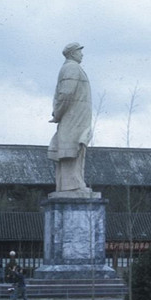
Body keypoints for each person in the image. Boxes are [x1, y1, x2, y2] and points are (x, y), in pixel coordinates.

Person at [48, 42, 93, 193]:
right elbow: (66, 94)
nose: (82, 54)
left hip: (76, 118)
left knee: (75, 150)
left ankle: (72, 185)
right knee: (73, 150)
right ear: (72, 53)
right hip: (74, 118)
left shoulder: (71, 67)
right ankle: (72, 186)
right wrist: (58, 114)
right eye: (80, 51)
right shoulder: (71, 68)